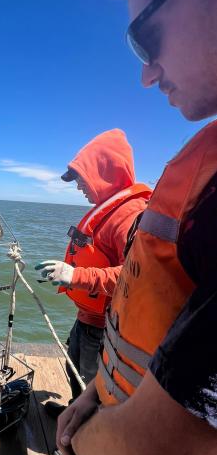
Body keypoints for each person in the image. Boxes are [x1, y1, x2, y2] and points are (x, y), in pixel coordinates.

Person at [56, 0, 217, 455]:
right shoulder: (198, 174)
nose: (147, 72)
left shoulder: (132, 214)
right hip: (124, 449)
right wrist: (97, 392)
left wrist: (77, 435)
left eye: (145, 37)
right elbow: (151, 306)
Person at [35, 129, 151, 411]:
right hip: (88, 318)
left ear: (105, 173)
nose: (79, 187)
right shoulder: (108, 210)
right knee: (73, 367)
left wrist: (75, 276)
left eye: (82, 179)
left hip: (105, 326)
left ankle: (82, 443)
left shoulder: (129, 215)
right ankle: (73, 415)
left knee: (93, 384)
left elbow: (133, 275)